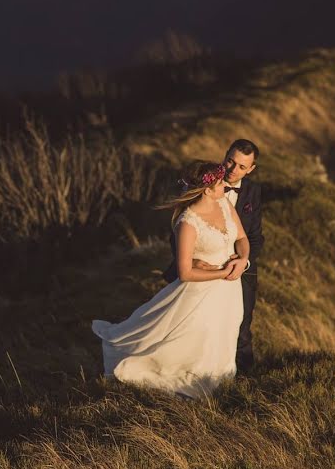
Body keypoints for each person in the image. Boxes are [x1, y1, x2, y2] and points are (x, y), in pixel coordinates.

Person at [91, 161, 250, 398]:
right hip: (201, 292)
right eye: (220, 183)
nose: (225, 186)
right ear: (206, 189)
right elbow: (185, 272)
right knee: (198, 340)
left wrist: (242, 260)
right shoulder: (188, 222)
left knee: (224, 333)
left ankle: (219, 385)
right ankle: (193, 385)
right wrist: (222, 272)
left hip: (230, 289)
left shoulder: (224, 203)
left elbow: (242, 237)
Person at [163, 139, 263, 372]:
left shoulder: (253, 192)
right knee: (190, 329)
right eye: (230, 161)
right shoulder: (197, 186)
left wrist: (243, 262)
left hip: (239, 272)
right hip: (199, 272)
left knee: (241, 329)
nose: (232, 170)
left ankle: (245, 379)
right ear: (225, 154)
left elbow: (253, 236)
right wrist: (193, 260)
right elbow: (177, 232)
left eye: (241, 166)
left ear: (251, 169)